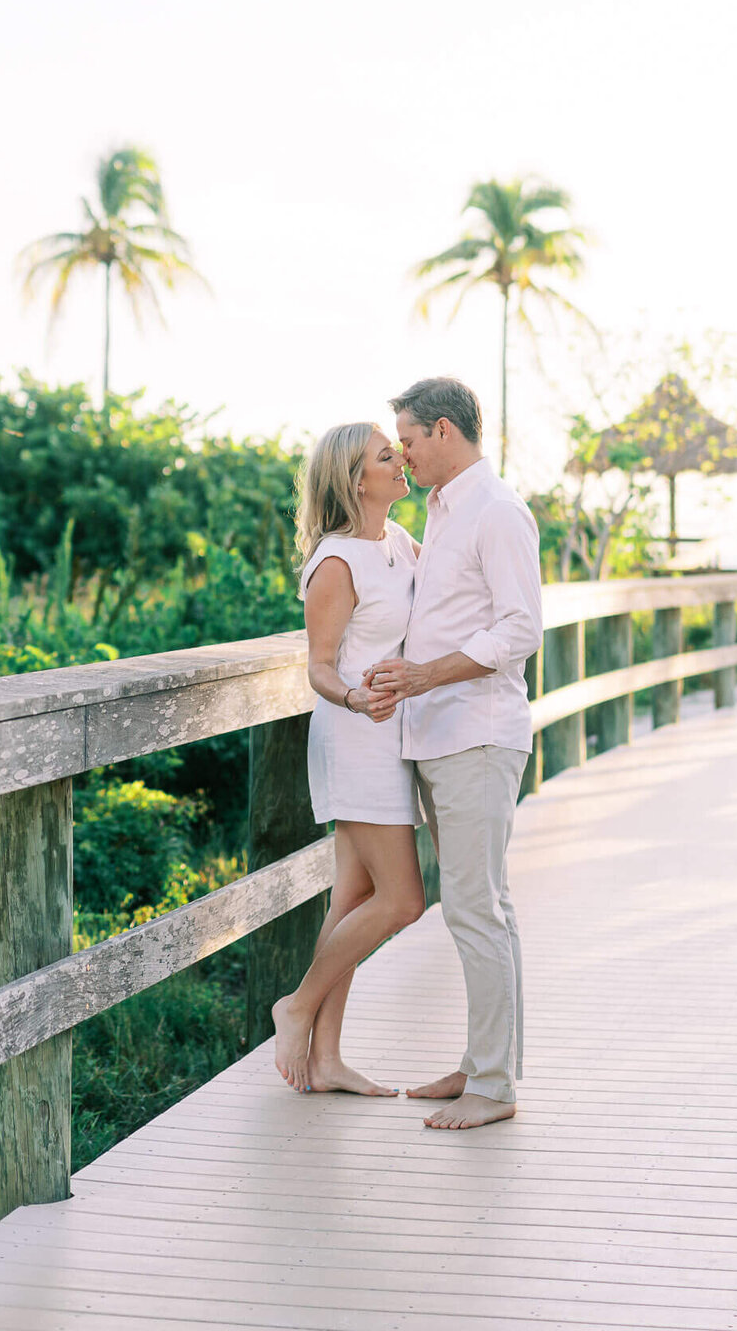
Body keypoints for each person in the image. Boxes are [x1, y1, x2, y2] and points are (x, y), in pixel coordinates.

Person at [367, 376, 542, 1130]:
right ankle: (480, 1064)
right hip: (439, 735)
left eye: (406, 438)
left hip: (476, 732)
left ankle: (495, 1087)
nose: (401, 453)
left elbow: (520, 629)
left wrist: (425, 675)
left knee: (478, 910)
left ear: (442, 431)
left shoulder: (497, 512)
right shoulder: (441, 512)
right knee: (476, 908)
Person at [271, 421, 426, 1096]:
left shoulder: (398, 542)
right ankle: (297, 1005)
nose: (403, 462)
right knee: (403, 901)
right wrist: (357, 701)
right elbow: (321, 667)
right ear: (355, 479)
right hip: (357, 737)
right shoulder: (336, 562)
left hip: (393, 736)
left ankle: (327, 1058)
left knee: (355, 899)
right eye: (386, 456)